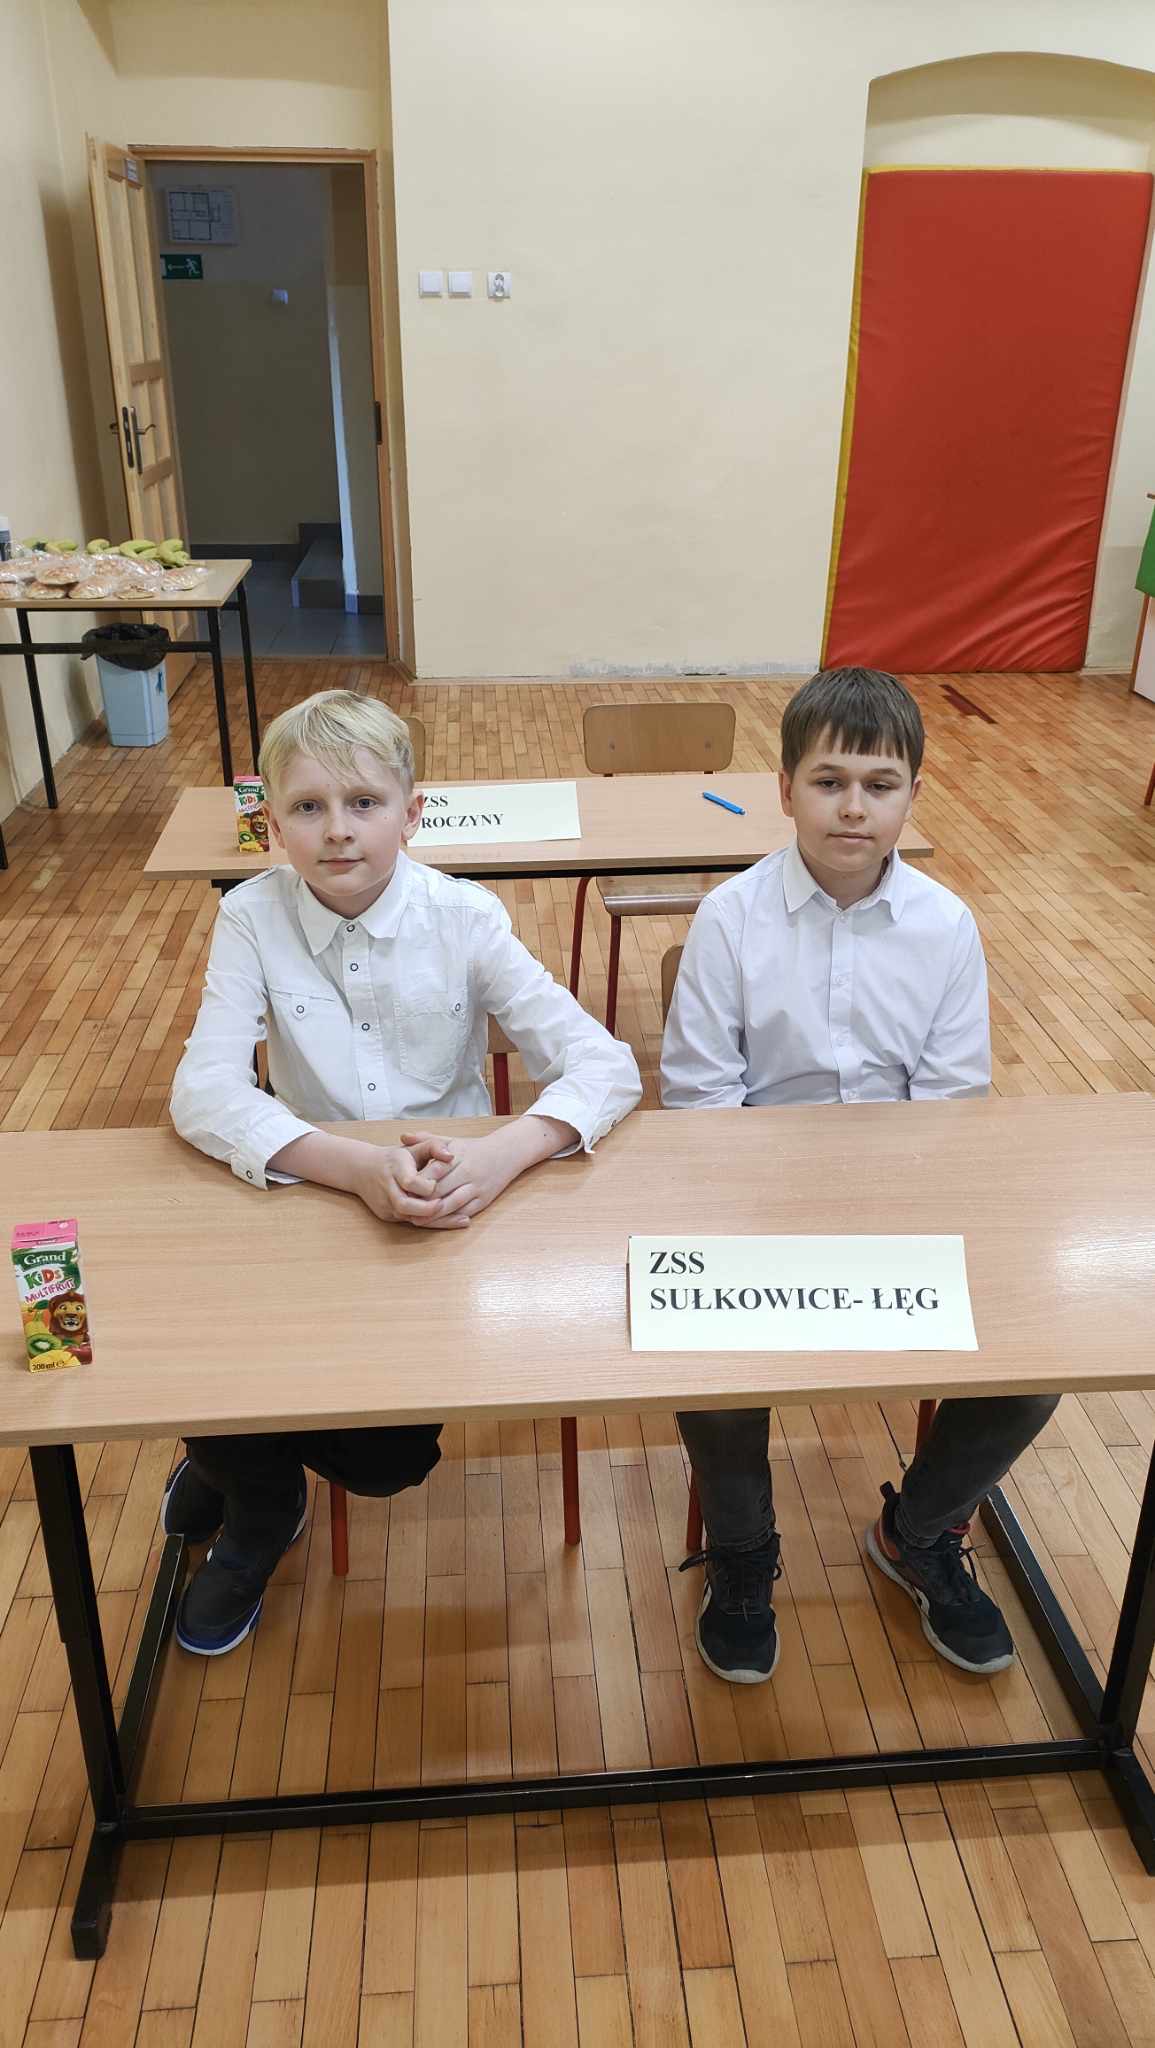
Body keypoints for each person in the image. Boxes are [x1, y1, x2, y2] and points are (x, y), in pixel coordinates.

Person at [166, 688, 641, 1655]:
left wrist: (502, 1155)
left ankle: (236, 1459)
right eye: (308, 808)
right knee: (195, 1349)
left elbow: (605, 1065)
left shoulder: (463, 916)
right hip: (311, 1188)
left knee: (386, 1459)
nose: (337, 831)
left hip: (441, 1204)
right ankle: (259, 1502)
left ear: (411, 813)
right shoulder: (250, 916)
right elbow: (201, 1093)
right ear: (273, 823)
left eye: (363, 803)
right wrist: (349, 1167)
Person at [661, 665, 1055, 1685]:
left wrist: (883, 1217)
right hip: (749, 1195)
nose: (852, 807)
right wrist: (777, 1219)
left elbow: (951, 1101)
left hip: (905, 1194)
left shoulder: (946, 924)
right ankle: (742, 1549)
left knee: (1036, 1366)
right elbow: (700, 1100)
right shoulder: (729, 918)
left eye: (879, 785)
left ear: (912, 795)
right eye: (828, 781)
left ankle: (917, 1531)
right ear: (784, 789)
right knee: (706, 1363)